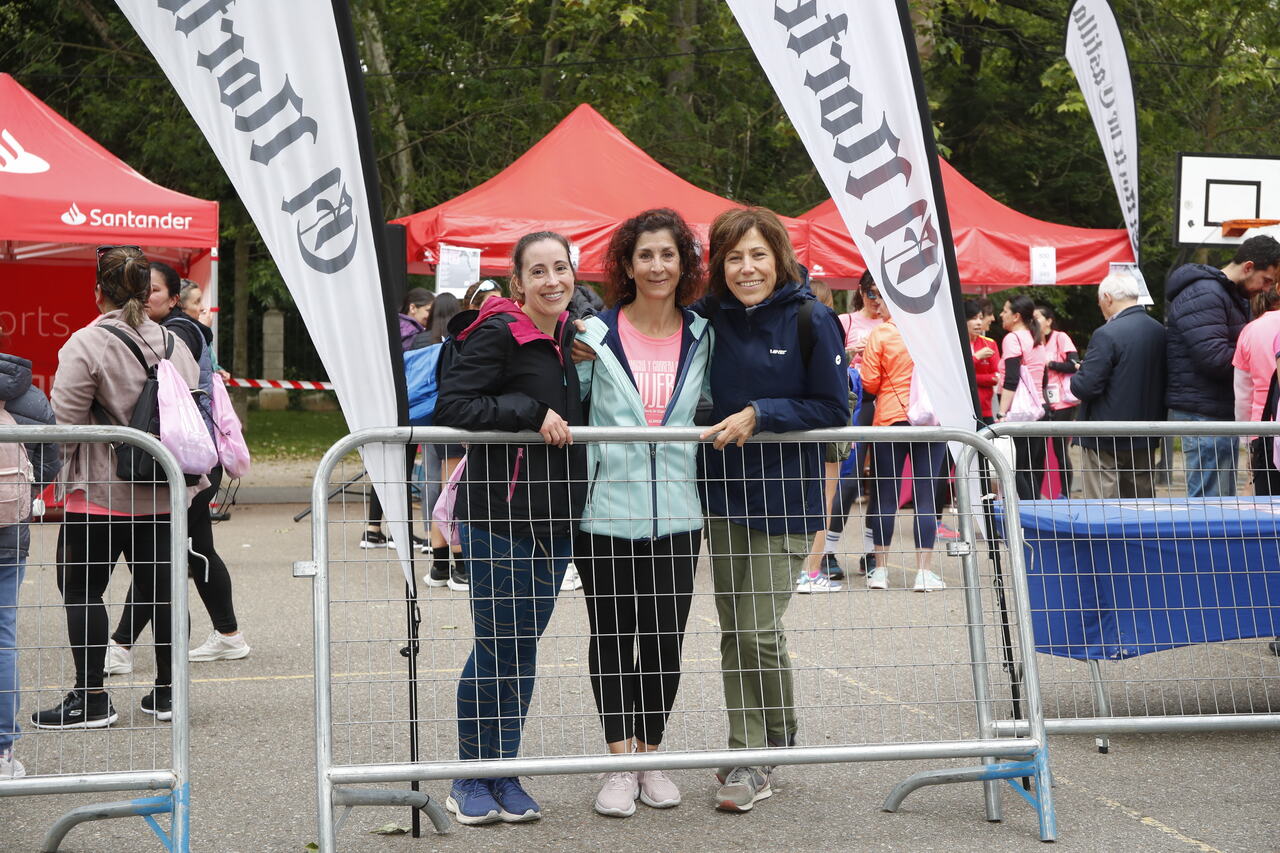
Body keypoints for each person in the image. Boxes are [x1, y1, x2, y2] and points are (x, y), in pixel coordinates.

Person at [695, 207, 849, 812]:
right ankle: (762, 737)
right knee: (736, 628)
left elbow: (834, 411)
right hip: (724, 494)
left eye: (757, 254)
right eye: (733, 257)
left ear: (779, 256)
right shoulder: (707, 316)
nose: (746, 268)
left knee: (757, 626)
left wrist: (764, 412)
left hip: (786, 498)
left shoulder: (813, 318)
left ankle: (760, 748)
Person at [433, 231, 587, 826]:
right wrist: (527, 410)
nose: (553, 281)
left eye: (562, 269)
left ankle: (505, 770)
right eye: (539, 272)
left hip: (555, 524)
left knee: (522, 651)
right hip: (498, 518)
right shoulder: (500, 331)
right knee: (497, 648)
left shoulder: (570, 338)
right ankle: (471, 775)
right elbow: (453, 406)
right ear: (517, 281)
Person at [571, 208, 711, 817]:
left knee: (663, 643)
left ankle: (650, 756)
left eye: (668, 254)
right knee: (611, 637)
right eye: (645, 255)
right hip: (604, 514)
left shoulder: (706, 335)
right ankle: (616, 762)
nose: (657, 265)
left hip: (680, 516)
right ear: (627, 265)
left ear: (684, 264)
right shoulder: (591, 336)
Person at [33, 246, 202, 729]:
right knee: (165, 593)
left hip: (102, 493)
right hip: (168, 490)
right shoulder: (175, 344)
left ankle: (90, 698)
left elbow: (63, 423)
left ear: (98, 293)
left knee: (82, 590)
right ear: (147, 295)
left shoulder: (87, 343)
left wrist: (44, 488)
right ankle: (170, 694)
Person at [105, 261, 250, 675]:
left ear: (172, 299)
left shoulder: (177, 332)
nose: (141, 296)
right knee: (191, 548)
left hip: (184, 461)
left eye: (151, 290)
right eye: (137, 288)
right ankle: (227, 635)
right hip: (183, 459)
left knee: (164, 553)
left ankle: (121, 645)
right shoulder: (169, 329)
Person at [1165, 234, 1280, 497]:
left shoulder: (1226, 294)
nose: (1266, 289)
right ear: (1248, 267)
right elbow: (1214, 357)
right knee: (1210, 502)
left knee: (1219, 502)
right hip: (1204, 413)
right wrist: (1259, 361)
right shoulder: (1205, 293)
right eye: (1266, 280)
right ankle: (1200, 540)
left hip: (1212, 410)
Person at [859, 295, 948, 592]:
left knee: (886, 496)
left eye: (879, 298)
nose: (876, 304)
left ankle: (881, 571)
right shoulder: (932, 333)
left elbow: (869, 383)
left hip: (889, 418)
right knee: (926, 497)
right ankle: (923, 572)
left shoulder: (882, 333)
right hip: (929, 420)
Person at [0, 349, 59, 778]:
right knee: (2, 639)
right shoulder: (28, 396)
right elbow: (48, 462)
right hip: (7, 529)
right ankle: (2, 750)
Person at [1069, 272, 1167, 498]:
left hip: (1104, 436)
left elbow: (1086, 386)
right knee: (1141, 506)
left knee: (1104, 510)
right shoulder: (1159, 331)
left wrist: (1079, 373)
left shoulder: (1107, 334)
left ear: (1107, 297)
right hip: (1145, 433)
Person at [797, 278, 848, 593]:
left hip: (800, 426)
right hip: (827, 424)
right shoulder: (826, 327)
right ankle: (811, 571)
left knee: (804, 499)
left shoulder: (792, 327)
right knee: (824, 500)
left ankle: (805, 569)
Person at [419, 293, 469, 591]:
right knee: (452, 495)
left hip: (432, 421)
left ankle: (439, 566)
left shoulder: (422, 340)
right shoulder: (461, 340)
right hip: (455, 423)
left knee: (441, 491)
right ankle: (460, 568)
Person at [995, 295, 1049, 501]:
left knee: (1016, 470)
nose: (1002, 314)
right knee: (1028, 469)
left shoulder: (1012, 339)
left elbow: (1011, 378)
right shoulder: (1036, 338)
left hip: (1018, 413)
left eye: (1005, 311)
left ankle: (1030, 519)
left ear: (1016, 316)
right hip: (1037, 410)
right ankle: (1037, 517)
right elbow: (1043, 378)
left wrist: (1001, 412)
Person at [1233, 285, 1280, 495]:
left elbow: (1243, 394)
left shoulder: (1250, 330)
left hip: (1263, 431)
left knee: (1267, 506)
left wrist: (1246, 440)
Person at [1036, 304, 1081, 498]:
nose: (1035, 321)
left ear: (1048, 320)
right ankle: (1035, 494)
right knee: (1037, 451)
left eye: (1038, 317)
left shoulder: (1060, 338)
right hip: (1041, 401)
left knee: (1059, 450)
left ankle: (1065, 494)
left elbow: (1074, 365)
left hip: (1062, 401)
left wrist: (1051, 364)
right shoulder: (1034, 341)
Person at [966, 300, 999, 424]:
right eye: (974, 318)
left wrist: (970, 379)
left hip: (985, 410)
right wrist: (976, 357)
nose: (979, 322)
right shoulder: (955, 344)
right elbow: (954, 376)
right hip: (961, 408)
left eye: (980, 318)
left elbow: (995, 378)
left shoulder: (989, 343)